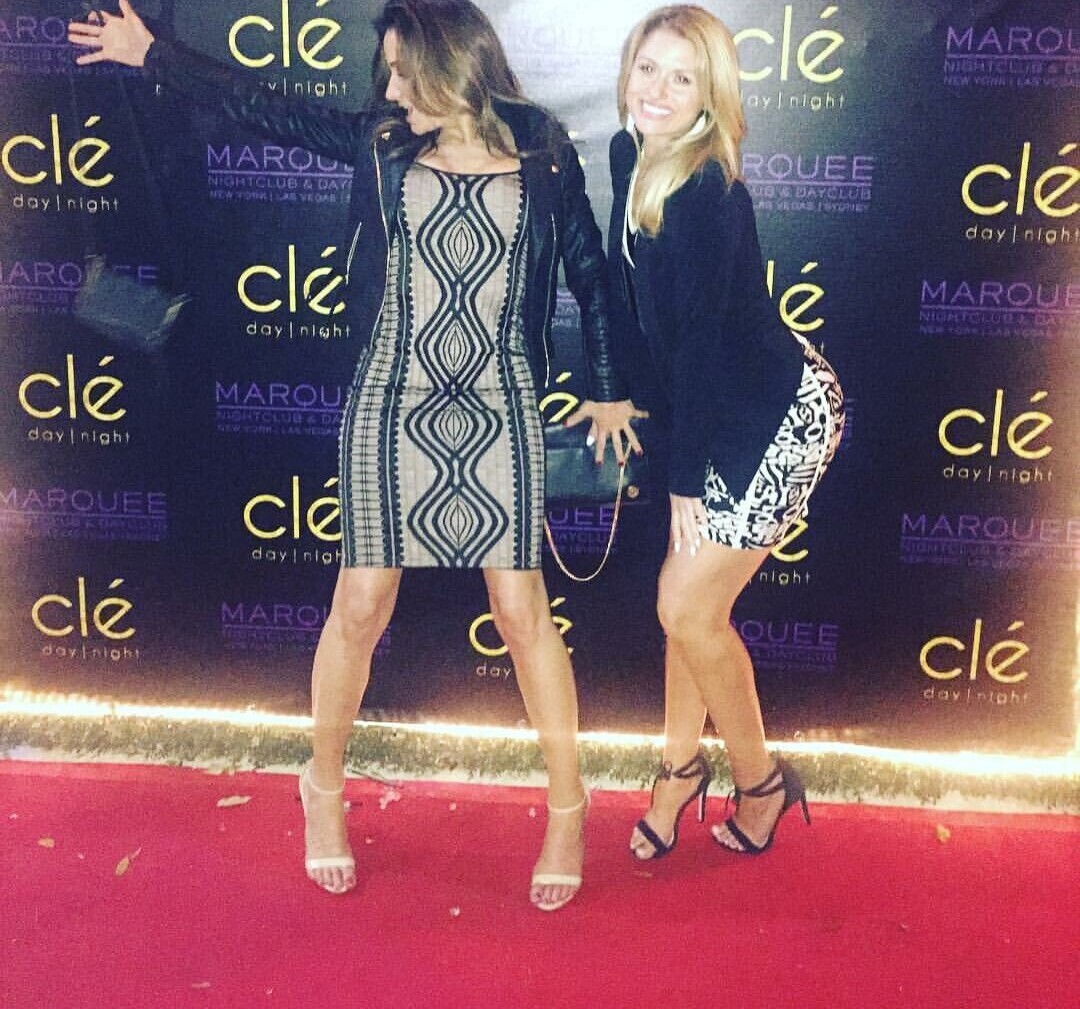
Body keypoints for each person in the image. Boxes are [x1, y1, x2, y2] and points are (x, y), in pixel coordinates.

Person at [70, 0, 644, 910]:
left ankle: (569, 806)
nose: (391, 88)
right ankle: (324, 787)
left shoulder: (541, 150)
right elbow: (268, 109)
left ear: (455, 65)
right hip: (391, 394)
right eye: (389, 72)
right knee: (362, 601)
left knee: (522, 609)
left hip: (499, 397)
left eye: (406, 72)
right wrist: (154, 55)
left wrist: (609, 382)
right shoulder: (384, 139)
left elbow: (590, 271)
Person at [608, 5, 845, 859]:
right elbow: (640, 313)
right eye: (649, 68)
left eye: (684, 77)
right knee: (690, 607)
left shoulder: (710, 195)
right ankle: (679, 771)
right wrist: (619, 399)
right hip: (711, 411)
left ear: (710, 96)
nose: (659, 90)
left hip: (776, 418)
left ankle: (762, 784)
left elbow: (703, 343)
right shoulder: (629, 153)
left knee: (684, 605)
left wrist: (683, 476)